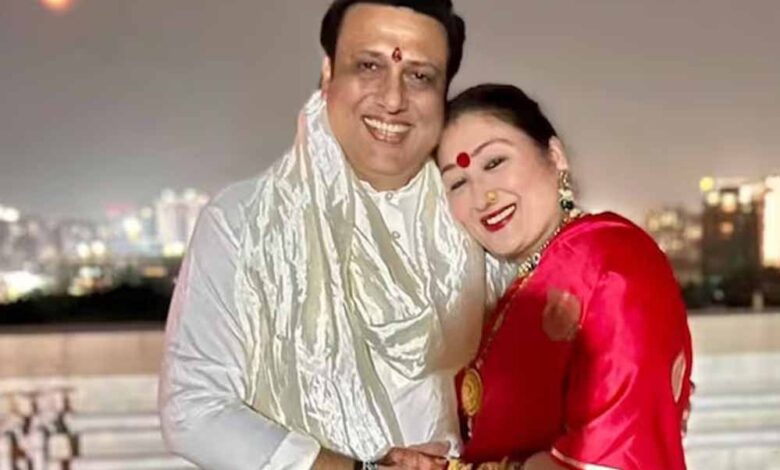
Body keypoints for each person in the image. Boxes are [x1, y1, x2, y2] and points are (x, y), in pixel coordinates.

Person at [158, 1, 497, 469]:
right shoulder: (245, 223)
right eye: (369, 66)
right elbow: (194, 410)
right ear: (327, 74)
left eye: (420, 76)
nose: (392, 99)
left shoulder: (479, 219)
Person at [436, 84, 693, 470]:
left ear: (555, 156)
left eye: (494, 163)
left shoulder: (613, 261)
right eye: (457, 183)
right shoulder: (509, 290)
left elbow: (612, 453)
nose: (482, 196)